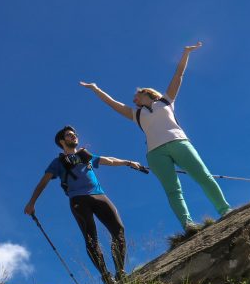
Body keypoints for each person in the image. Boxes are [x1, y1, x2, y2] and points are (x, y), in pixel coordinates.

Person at [79, 41, 230, 233]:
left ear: (146, 93)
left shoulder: (166, 100)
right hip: (155, 154)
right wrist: (95, 88)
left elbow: (178, 75)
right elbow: (112, 103)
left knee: (204, 176)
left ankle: (225, 210)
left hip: (179, 142)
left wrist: (186, 53)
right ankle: (188, 224)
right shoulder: (137, 114)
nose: (134, 100)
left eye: (136, 96)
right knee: (173, 191)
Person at [24, 125, 145, 284]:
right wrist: (32, 202)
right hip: (78, 200)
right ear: (62, 141)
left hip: (98, 195)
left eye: (74, 134)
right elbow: (43, 182)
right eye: (69, 135)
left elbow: (108, 160)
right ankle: (106, 276)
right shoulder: (57, 162)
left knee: (118, 229)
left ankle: (120, 271)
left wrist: (128, 162)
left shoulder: (85, 155)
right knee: (91, 239)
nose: (74, 136)